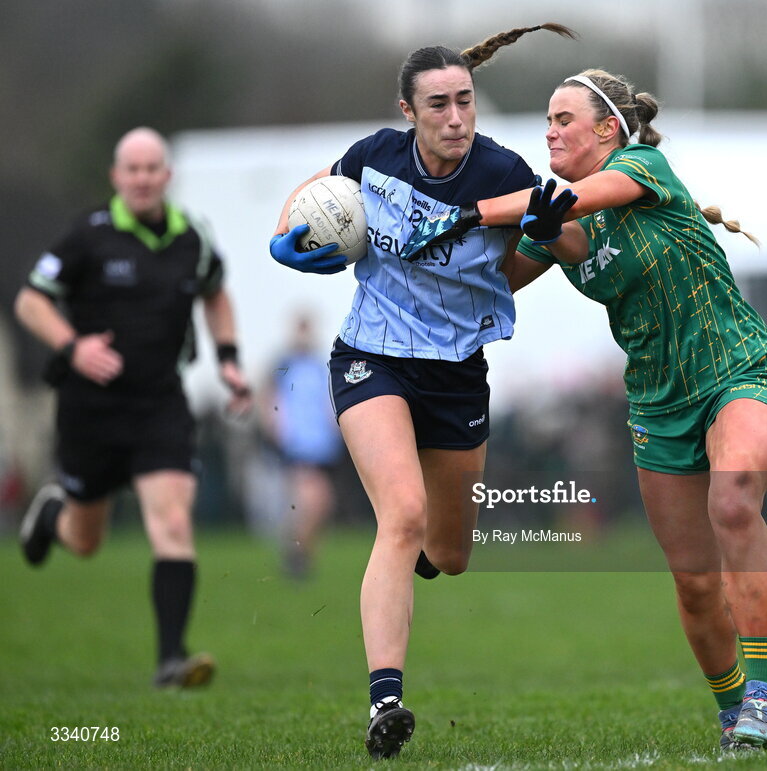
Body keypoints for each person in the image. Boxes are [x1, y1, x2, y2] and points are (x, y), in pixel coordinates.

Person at [415, 69, 767, 752]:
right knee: (694, 586)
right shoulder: (552, 216)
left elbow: (564, 201)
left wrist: (471, 210)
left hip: (739, 369)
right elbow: (486, 286)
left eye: (565, 118)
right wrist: (390, 247)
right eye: (548, 121)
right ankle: (735, 710)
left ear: (607, 129)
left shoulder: (641, 166)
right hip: (657, 400)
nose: (551, 130)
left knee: (735, 494)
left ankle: (765, 692)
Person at [268, 24, 575, 760]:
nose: (456, 117)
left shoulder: (503, 171)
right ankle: (386, 699)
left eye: (464, 101)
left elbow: (569, 248)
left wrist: (545, 232)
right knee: (399, 514)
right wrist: (286, 237)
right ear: (407, 111)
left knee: (449, 551)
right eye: (438, 104)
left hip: (457, 370)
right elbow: (311, 196)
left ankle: (420, 555)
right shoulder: (373, 157)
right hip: (371, 357)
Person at [15, 126, 252, 689]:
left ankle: (171, 660)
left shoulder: (192, 236)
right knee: (86, 541)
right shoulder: (87, 236)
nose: (143, 179)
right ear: (117, 177)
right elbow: (30, 301)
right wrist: (74, 347)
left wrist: (228, 360)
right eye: (132, 169)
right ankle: (53, 515)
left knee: (172, 521)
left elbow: (216, 292)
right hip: (89, 409)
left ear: (166, 176)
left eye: (153, 169)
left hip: (159, 404)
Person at [261, 312, 344, 578]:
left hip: (322, 444)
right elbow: (268, 394)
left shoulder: (321, 364)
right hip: (296, 443)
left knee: (321, 502)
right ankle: (296, 552)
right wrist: (275, 426)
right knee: (314, 498)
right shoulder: (284, 364)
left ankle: (300, 551)